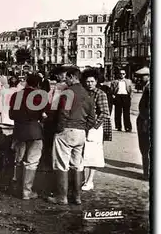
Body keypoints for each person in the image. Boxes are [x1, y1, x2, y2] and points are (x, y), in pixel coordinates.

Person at [47, 67, 95, 205]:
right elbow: (92, 118)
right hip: (81, 132)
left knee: (62, 163)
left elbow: (63, 113)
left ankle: (61, 197)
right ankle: (77, 196)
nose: (66, 80)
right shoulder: (87, 94)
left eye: (67, 78)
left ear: (72, 77)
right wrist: (84, 128)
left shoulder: (68, 93)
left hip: (67, 130)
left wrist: (59, 129)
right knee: (77, 165)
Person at [9, 74, 47, 199]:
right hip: (35, 131)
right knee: (32, 162)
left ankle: (16, 188)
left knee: (18, 160)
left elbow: (11, 115)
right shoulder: (40, 96)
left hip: (19, 131)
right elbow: (45, 114)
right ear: (37, 85)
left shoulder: (16, 95)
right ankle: (26, 191)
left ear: (26, 82)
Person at [81, 69, 112, 191]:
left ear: (96, 81)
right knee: (82, 154)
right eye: (87, 81)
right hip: (83, 126)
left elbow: (105, 112)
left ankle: (90, 180)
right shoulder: (84, 93)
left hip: (95, 128)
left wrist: (94, 125)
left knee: (93, 155)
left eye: (92, 81)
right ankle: (82, 179)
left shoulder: (100, 94)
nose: (89, 84)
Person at [136, 67, 150, 180]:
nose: (139, 79)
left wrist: (146, 120)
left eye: (142, 77)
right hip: (144, 120)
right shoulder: (147, 87)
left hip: (146, 122)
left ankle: (147, 174)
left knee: (145, 147)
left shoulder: (150, 88)